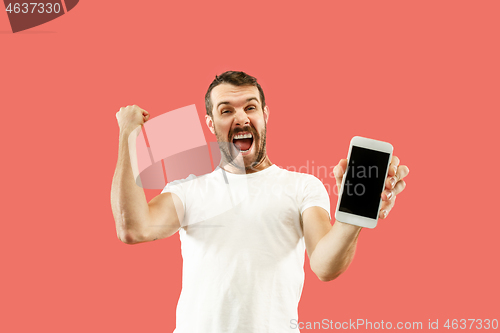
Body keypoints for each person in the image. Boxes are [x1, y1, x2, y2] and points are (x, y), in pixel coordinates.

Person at [111, 71, 409, 333]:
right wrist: (128, 134)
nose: (241, 118)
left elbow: (324, 265)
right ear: (211, 124)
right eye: (226, 110)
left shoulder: (302, 186)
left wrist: (350, 217)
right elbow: (134, 228)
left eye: (250, 107)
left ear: (265, 115)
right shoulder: (189, 189)